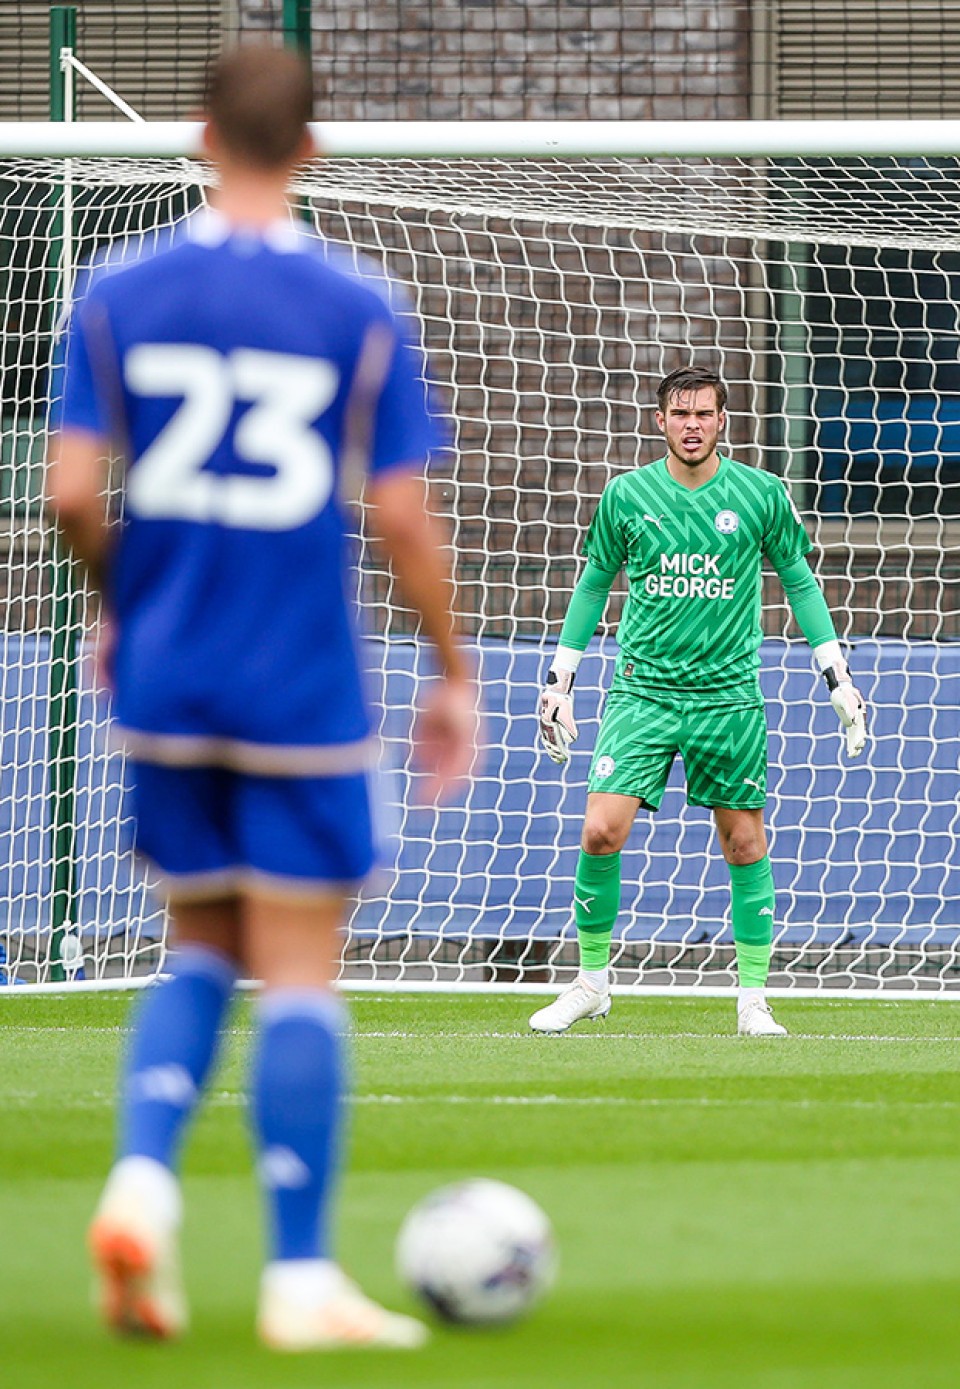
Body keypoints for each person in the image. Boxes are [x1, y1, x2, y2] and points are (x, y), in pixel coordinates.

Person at [46, 44, 475, 1351]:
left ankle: (139, 1184)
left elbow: (68, 493)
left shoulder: (114, 291)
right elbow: (399, 516)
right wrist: (453, 668)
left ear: (197, 133)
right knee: (297, 967)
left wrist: (123, 600)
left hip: (166, 670)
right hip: (299, 680)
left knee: (198, 940)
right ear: (311, 149)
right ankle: (298, 1278)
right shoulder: (358, 305)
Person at [533, 366, 865, 1038]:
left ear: (722, 421)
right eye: (679, 414)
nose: (691, 425)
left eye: (703, 414)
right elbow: (594, 585)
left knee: (744, 842)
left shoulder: (761, 494)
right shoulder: (627, 496)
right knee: (601, 827)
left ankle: (752, 999)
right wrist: (559, 679)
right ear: (660, 420)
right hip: (642, 692)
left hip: (727, 697)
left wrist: (838, 675)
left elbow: (799, 582)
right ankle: (591, 982)